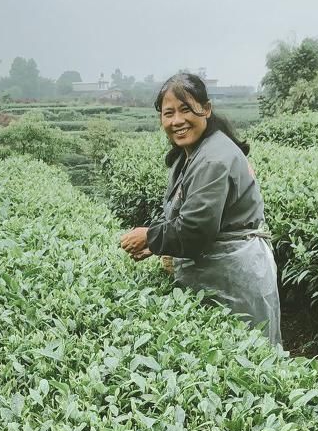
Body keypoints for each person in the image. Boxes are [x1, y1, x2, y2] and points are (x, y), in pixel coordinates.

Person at [120, 72, 281, 346]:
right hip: (224, 269)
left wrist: (150, 237)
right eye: (168, 113)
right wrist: (159, 244)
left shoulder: (213, 159)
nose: (177, 121)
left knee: (246, 353)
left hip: (233, 275)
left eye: (186, 109)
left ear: (206, 109)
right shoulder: (195, 152)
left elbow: (196, 230)